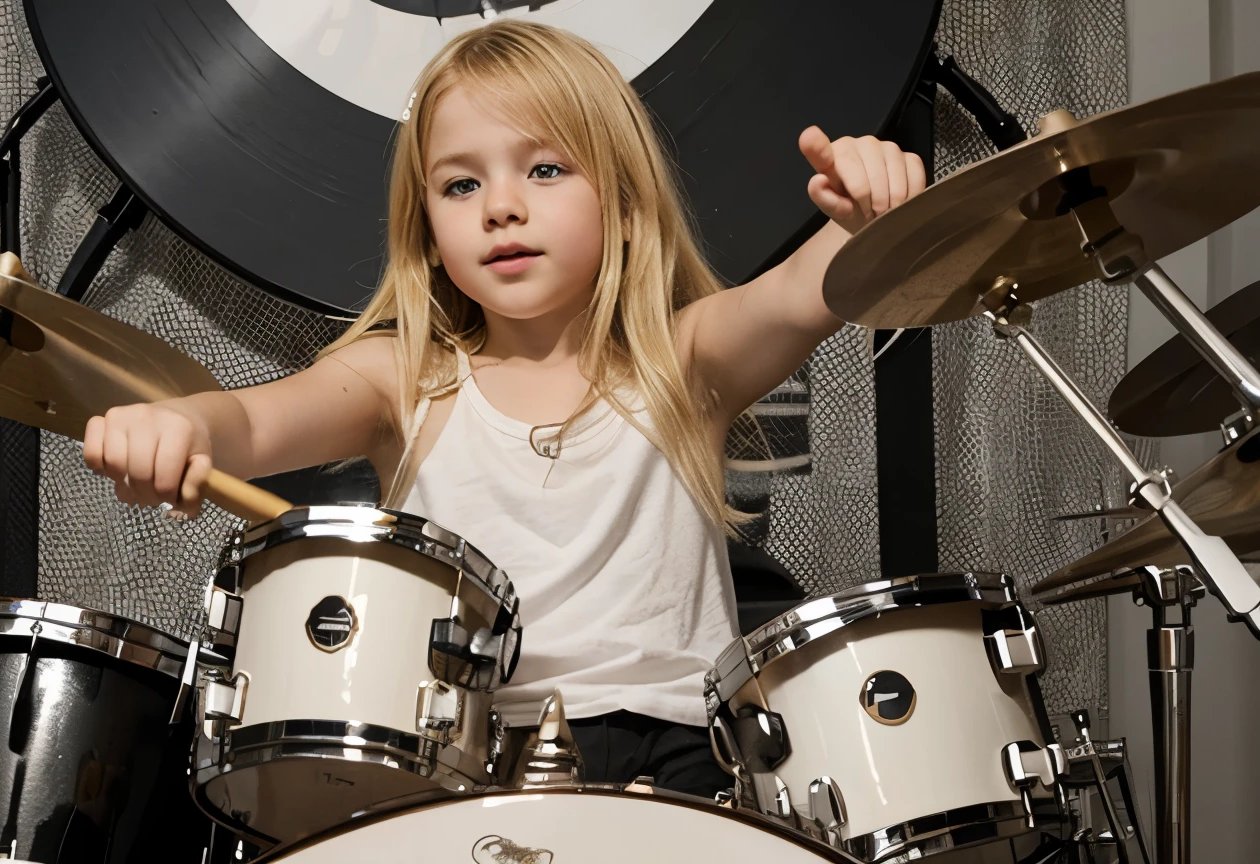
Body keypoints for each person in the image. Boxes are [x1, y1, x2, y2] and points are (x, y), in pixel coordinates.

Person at [83, 19, 925, 798]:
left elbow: (804, 293)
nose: (500, 207)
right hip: (472, 763)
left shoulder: (685, 361)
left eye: (546, 169)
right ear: (428, 237)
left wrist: (866, 210)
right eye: (459, 184)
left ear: (627, 209)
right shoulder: (402, 378)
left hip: (682, 756)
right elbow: (253, 423)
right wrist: (185, 424)